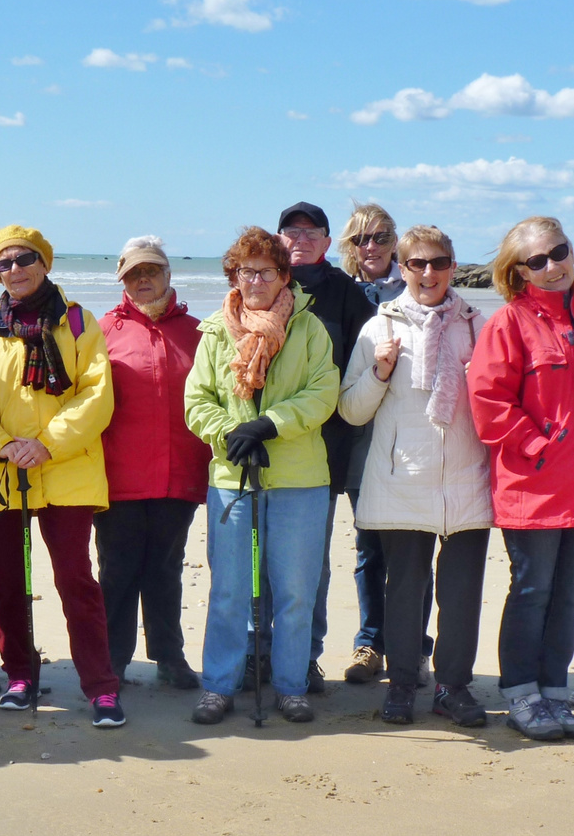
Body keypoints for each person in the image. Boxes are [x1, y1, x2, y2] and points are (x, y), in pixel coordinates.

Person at [468, 217, 574, 741]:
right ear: (517, 273)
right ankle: (522, 694)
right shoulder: (510, 324)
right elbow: (488, 401)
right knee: (533, 589)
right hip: (534, 486)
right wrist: (538, 447)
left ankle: (555, 693)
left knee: (570, 594)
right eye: (536, 261)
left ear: (571, 250)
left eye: (557, 253)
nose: (552, 267)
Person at [0, 225, 125, 728]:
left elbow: (96, 393)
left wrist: (45, 445)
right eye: (3, 264)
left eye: (24, 259)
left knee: (76, 582)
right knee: (6, 581)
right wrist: (5, 446)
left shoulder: (78, 322)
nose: (15, 270)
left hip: (67, 469)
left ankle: (101, 687)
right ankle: (21, 676)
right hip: (3, 472)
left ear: (44, 262)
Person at [184, 226, 339, 724]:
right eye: (244, 270)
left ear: (283, 276)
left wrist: (268, 425)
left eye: (264, 271)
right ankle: (219, 685)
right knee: (230, 590)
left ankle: (292, 684)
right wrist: (233, 435)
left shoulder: (309, 329)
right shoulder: (213, 331)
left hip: (300, 479)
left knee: (295, 590)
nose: (253, 279)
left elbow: (321, 394)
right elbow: (196, 401)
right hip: (233, 479)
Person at [339, 226, 492, 726]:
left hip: (466, 477)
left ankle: (453, 686)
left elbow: (493, 404)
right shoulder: (379, 328)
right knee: (403, 588)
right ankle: (402, 683)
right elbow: (352, 411)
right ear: (401, 268)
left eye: (440, 262)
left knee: (462, 591)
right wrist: (380, 373)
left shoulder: (475, 326)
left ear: (453, 265)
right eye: (417, 264)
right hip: (401, 476)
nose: (429, 273)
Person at [95, 236, 211, 688]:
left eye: (151, 272)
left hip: (179, 472)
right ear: (122, 280)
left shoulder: (200, 332)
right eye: (133, 274)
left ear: (167, 274)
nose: (143, 281)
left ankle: (169, 657)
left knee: (165, 568)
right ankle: (112, 661)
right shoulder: (102, 330)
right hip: (118, 476)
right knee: (117, 570)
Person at [276, 202, 374, 693]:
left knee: (334, 556)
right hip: (271, 450)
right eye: (292, 230)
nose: (301, 238)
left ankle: (318, 654)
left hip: (334, 448)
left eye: (312, 232)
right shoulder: (264, 287)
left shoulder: (348, 294)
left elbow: (365, 371)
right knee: (280, 559)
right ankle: (277, 654)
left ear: (328, 242)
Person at [335, 203, 433, 687]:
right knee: (369, 547)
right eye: (360, 239)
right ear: (348, 247)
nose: (369, 247)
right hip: (358, 438)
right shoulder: (338, 293)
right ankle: (370, 642)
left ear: (396, 242)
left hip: (414, 438)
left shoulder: (420, 283)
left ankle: (415, 646)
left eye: (379, 237)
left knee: (413, 547)